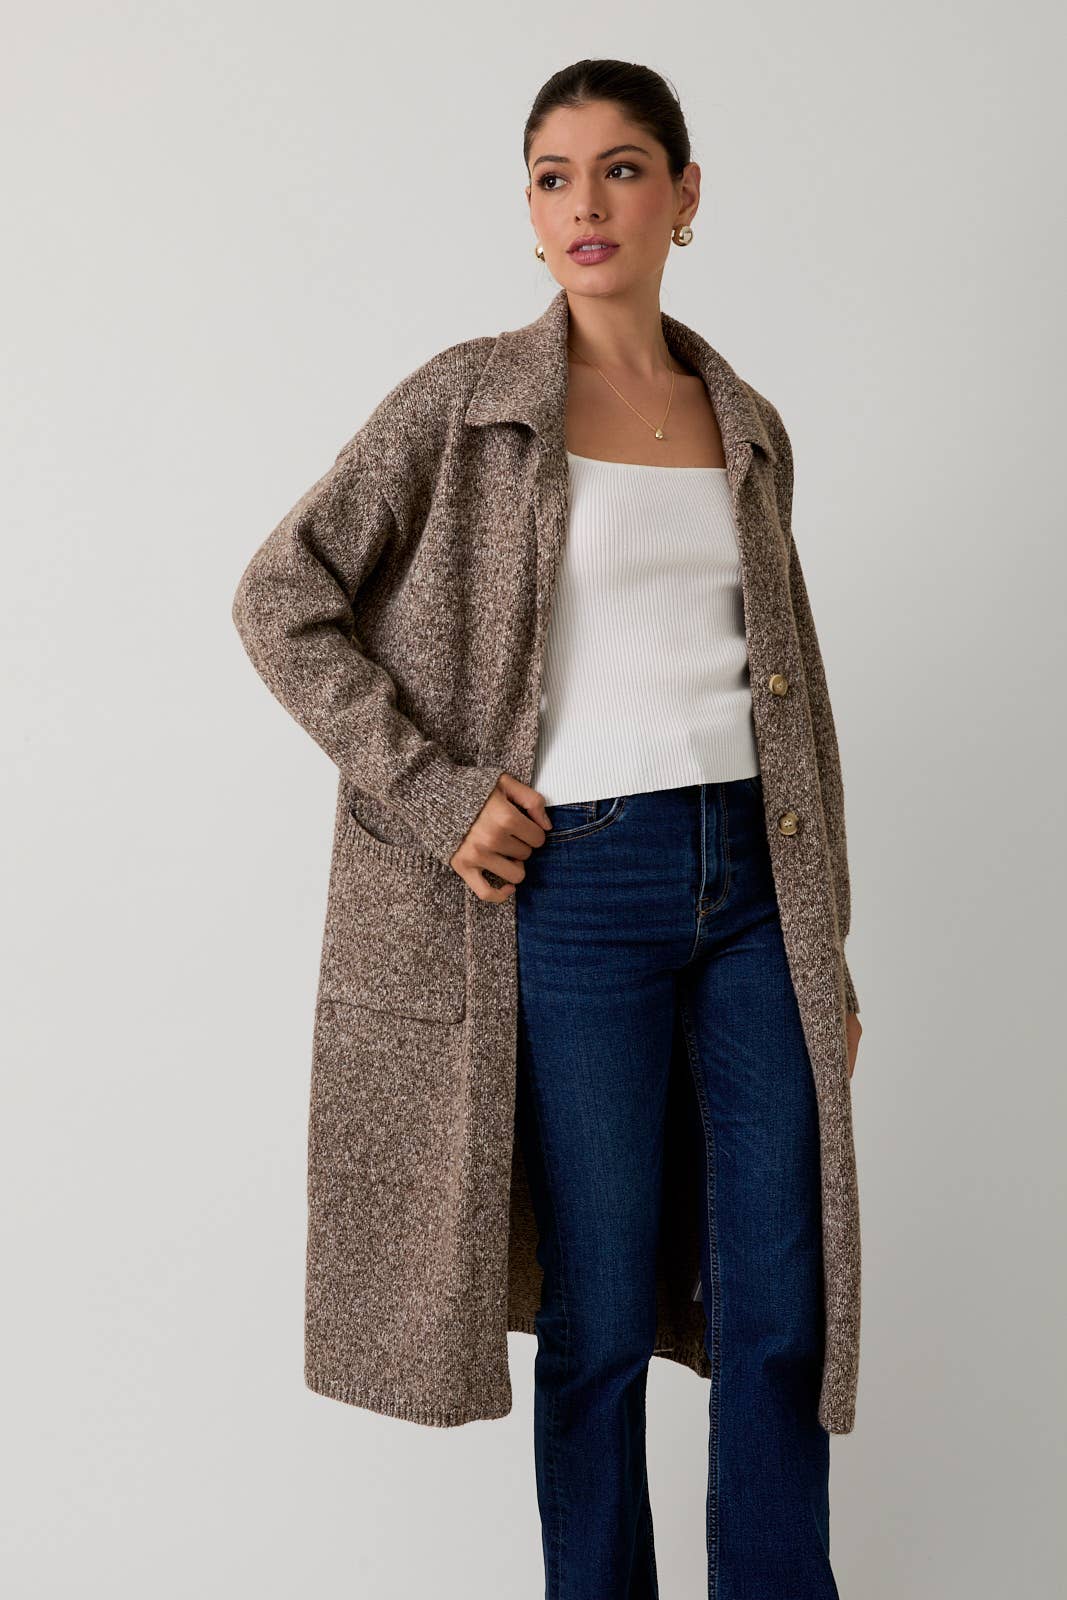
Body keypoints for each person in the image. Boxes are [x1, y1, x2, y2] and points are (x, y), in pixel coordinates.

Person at [233, 55, 862, 1600]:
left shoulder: (748, 424)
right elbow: (282, 598)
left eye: (624, 169)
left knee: (782, 1308)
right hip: (579, 887)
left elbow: (793, 702)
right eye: (554, 176)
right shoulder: (467, 404)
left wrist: (826, 944)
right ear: (528, 212)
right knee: (598, 1316)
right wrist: (437, 791)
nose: (588, 204)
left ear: (686, 197)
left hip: (753, 888)